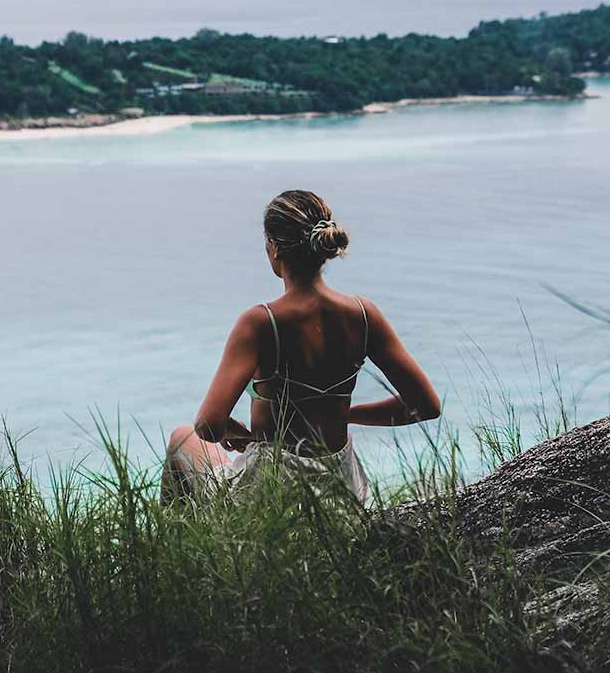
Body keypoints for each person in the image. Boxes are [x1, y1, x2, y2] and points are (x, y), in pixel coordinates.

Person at [161, 189, 441, 502]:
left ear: (274, 248)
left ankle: (178, 547)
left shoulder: (260, 322)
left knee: (181, 438)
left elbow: (208, 425)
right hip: (341, 490)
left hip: (271, 492)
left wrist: (238, 432)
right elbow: (426, 406)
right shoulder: (363, 314)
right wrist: (344, 414)